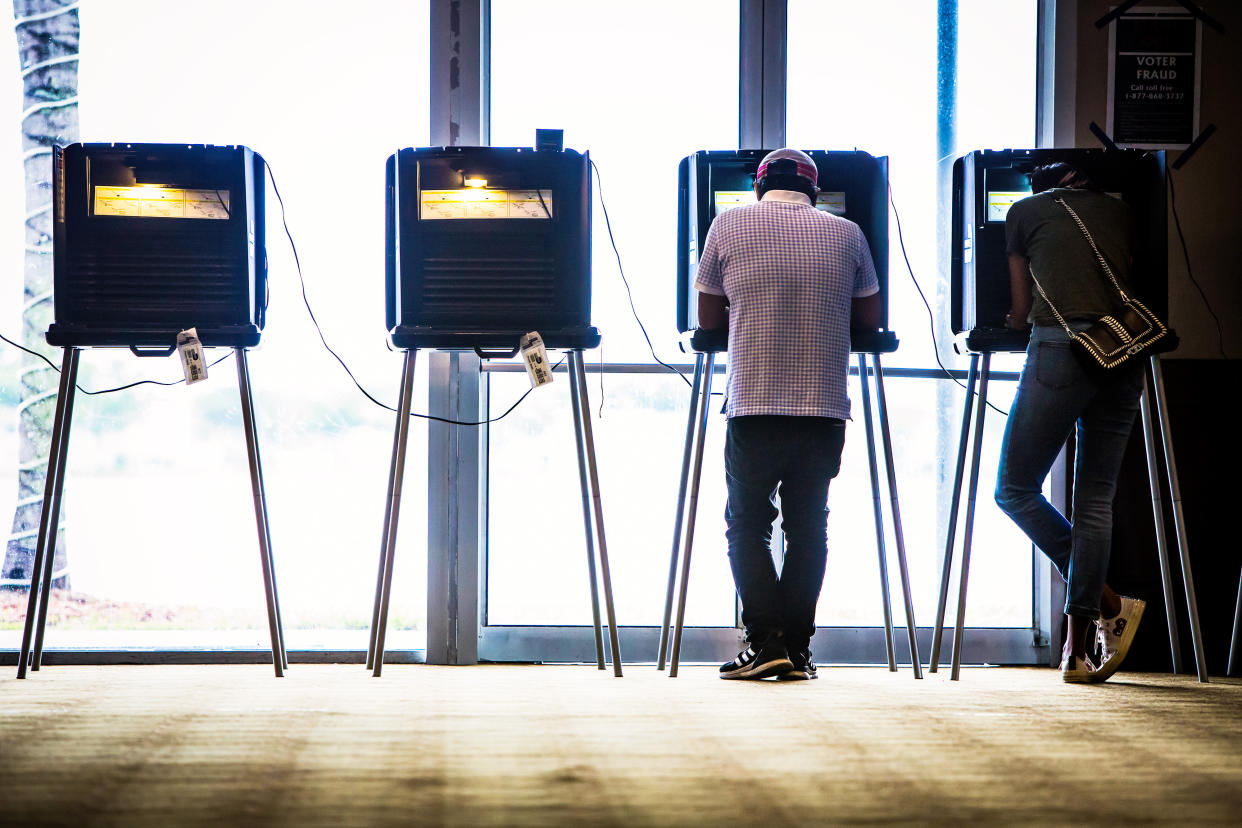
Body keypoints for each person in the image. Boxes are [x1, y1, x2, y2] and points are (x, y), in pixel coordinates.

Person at [694, 148, 881, 680]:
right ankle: (795, 649)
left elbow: (708, 317)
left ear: (758, 187)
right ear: (815, 192)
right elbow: (869, 316)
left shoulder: (727, 225)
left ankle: (767, 641)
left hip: (754, 403)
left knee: (748, 527)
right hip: (822, 407)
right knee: (807, 529)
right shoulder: (846, 234)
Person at [996, 162, 1147, 683]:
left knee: (1014, 489)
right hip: (1125, 350)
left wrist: (1017, 321)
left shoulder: (1024, 212)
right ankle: (1076, 653)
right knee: (1095, 500)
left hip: (1062, 349)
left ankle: (1107, 601)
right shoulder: (1125, 211)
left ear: (1043, 183)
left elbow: (1020, 310)